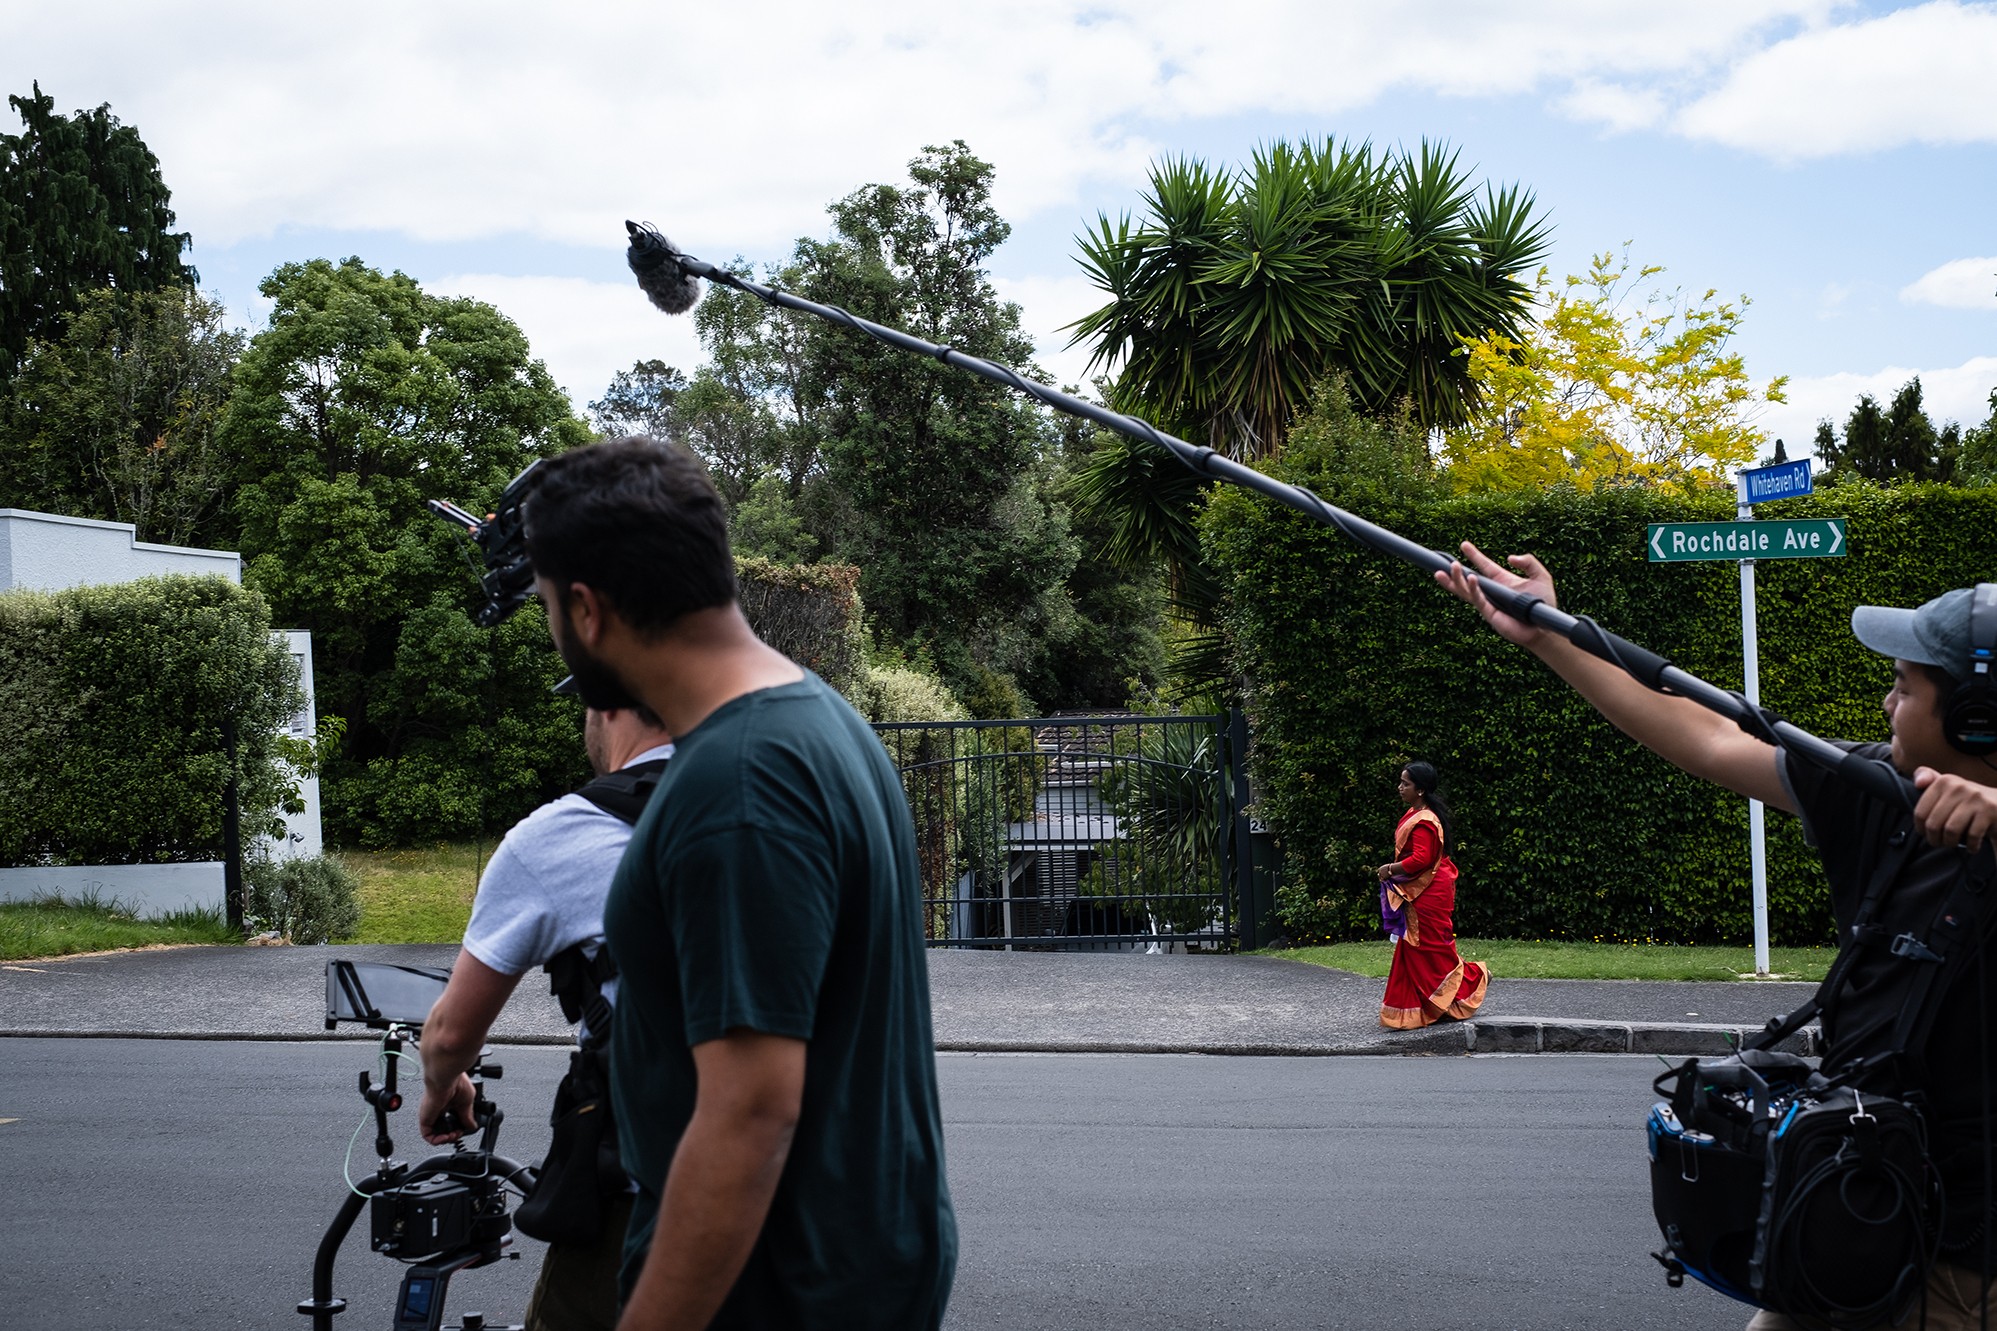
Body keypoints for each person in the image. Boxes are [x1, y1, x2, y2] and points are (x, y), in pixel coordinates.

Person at [1441, 545, 1997, 1330]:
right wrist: (1550, 636)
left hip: (1968, 1274)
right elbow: (1706, 739)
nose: (1883, 702)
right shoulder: (1881, 796)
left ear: (1975, 718)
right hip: (1855, 1218)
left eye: (1904, 688)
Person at [518, 436, 956, 1331]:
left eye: (547, 606)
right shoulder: (815, 714)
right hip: (839, 1265)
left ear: (587, 610)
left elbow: (751, 1113)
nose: (552, 625)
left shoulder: (739, 785)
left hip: (775, 1290)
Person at [416, 700, 675, 1331]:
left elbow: (451, 1033)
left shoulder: (561, 836)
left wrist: (441, 1085)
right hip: (805, 1190)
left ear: (606, 705)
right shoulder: (779, 807)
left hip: (646, 1198)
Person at [1375, 760, 1489, 1029]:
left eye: (1406, 783)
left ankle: (1474, 977)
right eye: (1402, 782)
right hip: (1421, 890)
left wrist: (1389, 869)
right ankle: (1413, 1009)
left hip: (1427, 893)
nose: (1400, 787)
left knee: (1430, 949)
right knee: (1414, 950)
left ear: (1421, 790)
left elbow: (1421, 860)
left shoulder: (1425, 819)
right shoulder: (1415, 813)